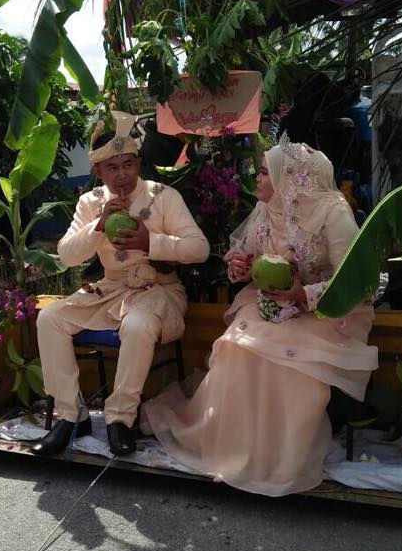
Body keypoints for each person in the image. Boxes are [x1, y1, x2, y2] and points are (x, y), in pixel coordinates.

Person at [141, 138, 379, 497]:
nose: (257, 178)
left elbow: (358, 283)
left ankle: (279, 459)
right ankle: (233, 446)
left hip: (328, 310)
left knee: (288, 362)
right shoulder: (267, 209)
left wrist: (303, 294)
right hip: (272, 304)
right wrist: (238, 266)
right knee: (235, 346)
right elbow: (247, 257)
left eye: (265, 172)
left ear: (291, 179)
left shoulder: (333, 212)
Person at [34, 110, 210, 457]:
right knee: (49, 318)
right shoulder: (90, 202)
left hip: (158, 291)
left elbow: (200, 249)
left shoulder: (163, 196)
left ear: (138, 162)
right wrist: (98, 224)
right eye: (112, 168)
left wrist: (150, 241)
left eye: (128, 165)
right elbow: (67, 255)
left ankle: (120, 419)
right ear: (97, 172)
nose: (122, 175)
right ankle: (71, 415)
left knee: (139, 325)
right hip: (110, 291)